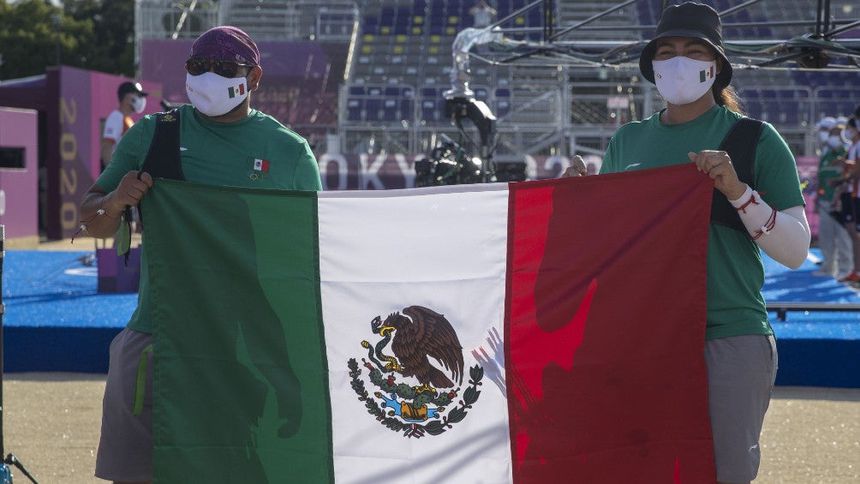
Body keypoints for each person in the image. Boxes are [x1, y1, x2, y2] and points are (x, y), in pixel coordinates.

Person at [564, 3, 809, 482]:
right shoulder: (627, 142)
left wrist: (739, 193)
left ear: (716, 65)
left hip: (728, 335)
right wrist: (576, 206)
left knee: (723, 473)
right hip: (643, 339)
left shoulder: (755, 139)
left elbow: (796, 249)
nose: (679, 61)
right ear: (652, 64)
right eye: (667, 51)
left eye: (694, 50)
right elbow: (609, 251)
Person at [77, 26, 323, 483]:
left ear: (253, 78)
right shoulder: (154, 135)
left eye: (225, 68)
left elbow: (312, 260)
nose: (209, 76)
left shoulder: (289, 153)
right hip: (160, 336)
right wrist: (116, 200)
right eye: (198, 66)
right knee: (135, 475)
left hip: (245, 351)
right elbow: (90, 220)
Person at [814, 117, 852, 278]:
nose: (833, 136)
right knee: (826, 236)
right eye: (832, 134)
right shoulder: (826, 155)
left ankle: (845, 268)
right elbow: (821, 179)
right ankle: (828, 267)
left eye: (837, 133)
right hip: (825, 202)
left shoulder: (848, 152)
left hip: (842, 201)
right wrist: (818, 198)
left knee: (843, 236)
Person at [101, 81, 148, 171]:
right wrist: (111, 174)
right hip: (118, 173)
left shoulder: (128, 120)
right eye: (138, 95)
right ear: (127, 97)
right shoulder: (116, 117)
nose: (141, 99)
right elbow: (107, 147)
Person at [836, 117, 860, 285]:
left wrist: (841, 181)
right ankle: (855, 270)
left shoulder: (858, 146)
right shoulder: (853, 147)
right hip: (852, 193)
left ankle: (856, 271)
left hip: (856, 194)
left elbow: (857, 171)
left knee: (856, 235)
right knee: (853, 234)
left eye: (849, 128)